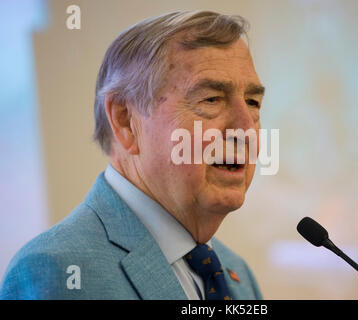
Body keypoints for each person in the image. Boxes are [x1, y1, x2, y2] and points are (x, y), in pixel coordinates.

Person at [0, 10, 265, 300]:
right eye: (211, 99)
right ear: (126, 121)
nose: (245, 127)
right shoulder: (56, 272)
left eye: (253, 102)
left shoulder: (237, 275)